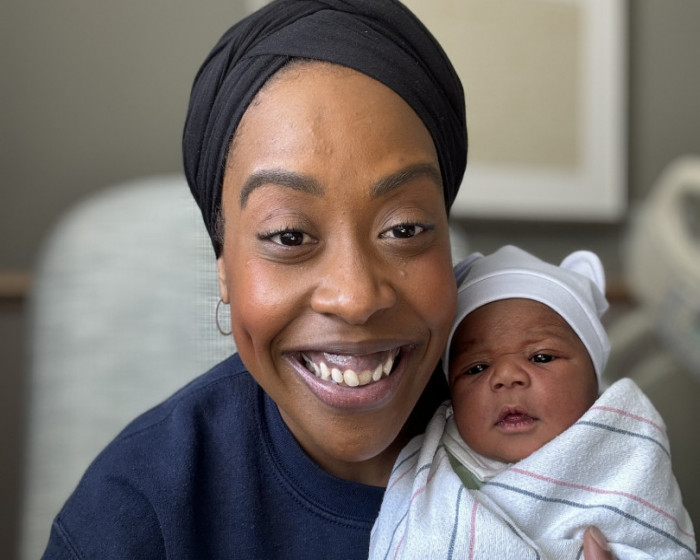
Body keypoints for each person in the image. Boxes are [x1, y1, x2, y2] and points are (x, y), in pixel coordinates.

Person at [41, 2, 614, 558]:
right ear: (224, 267)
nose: (356, 297)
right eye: (289, 235)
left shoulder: (548, 424)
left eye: (405, 228)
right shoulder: (133, 513)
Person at [370, 245, 697, 559]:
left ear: (594, 381)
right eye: (477, 368)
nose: (506, 376)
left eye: (541, 357)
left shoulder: (627, 460)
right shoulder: (434, 477)